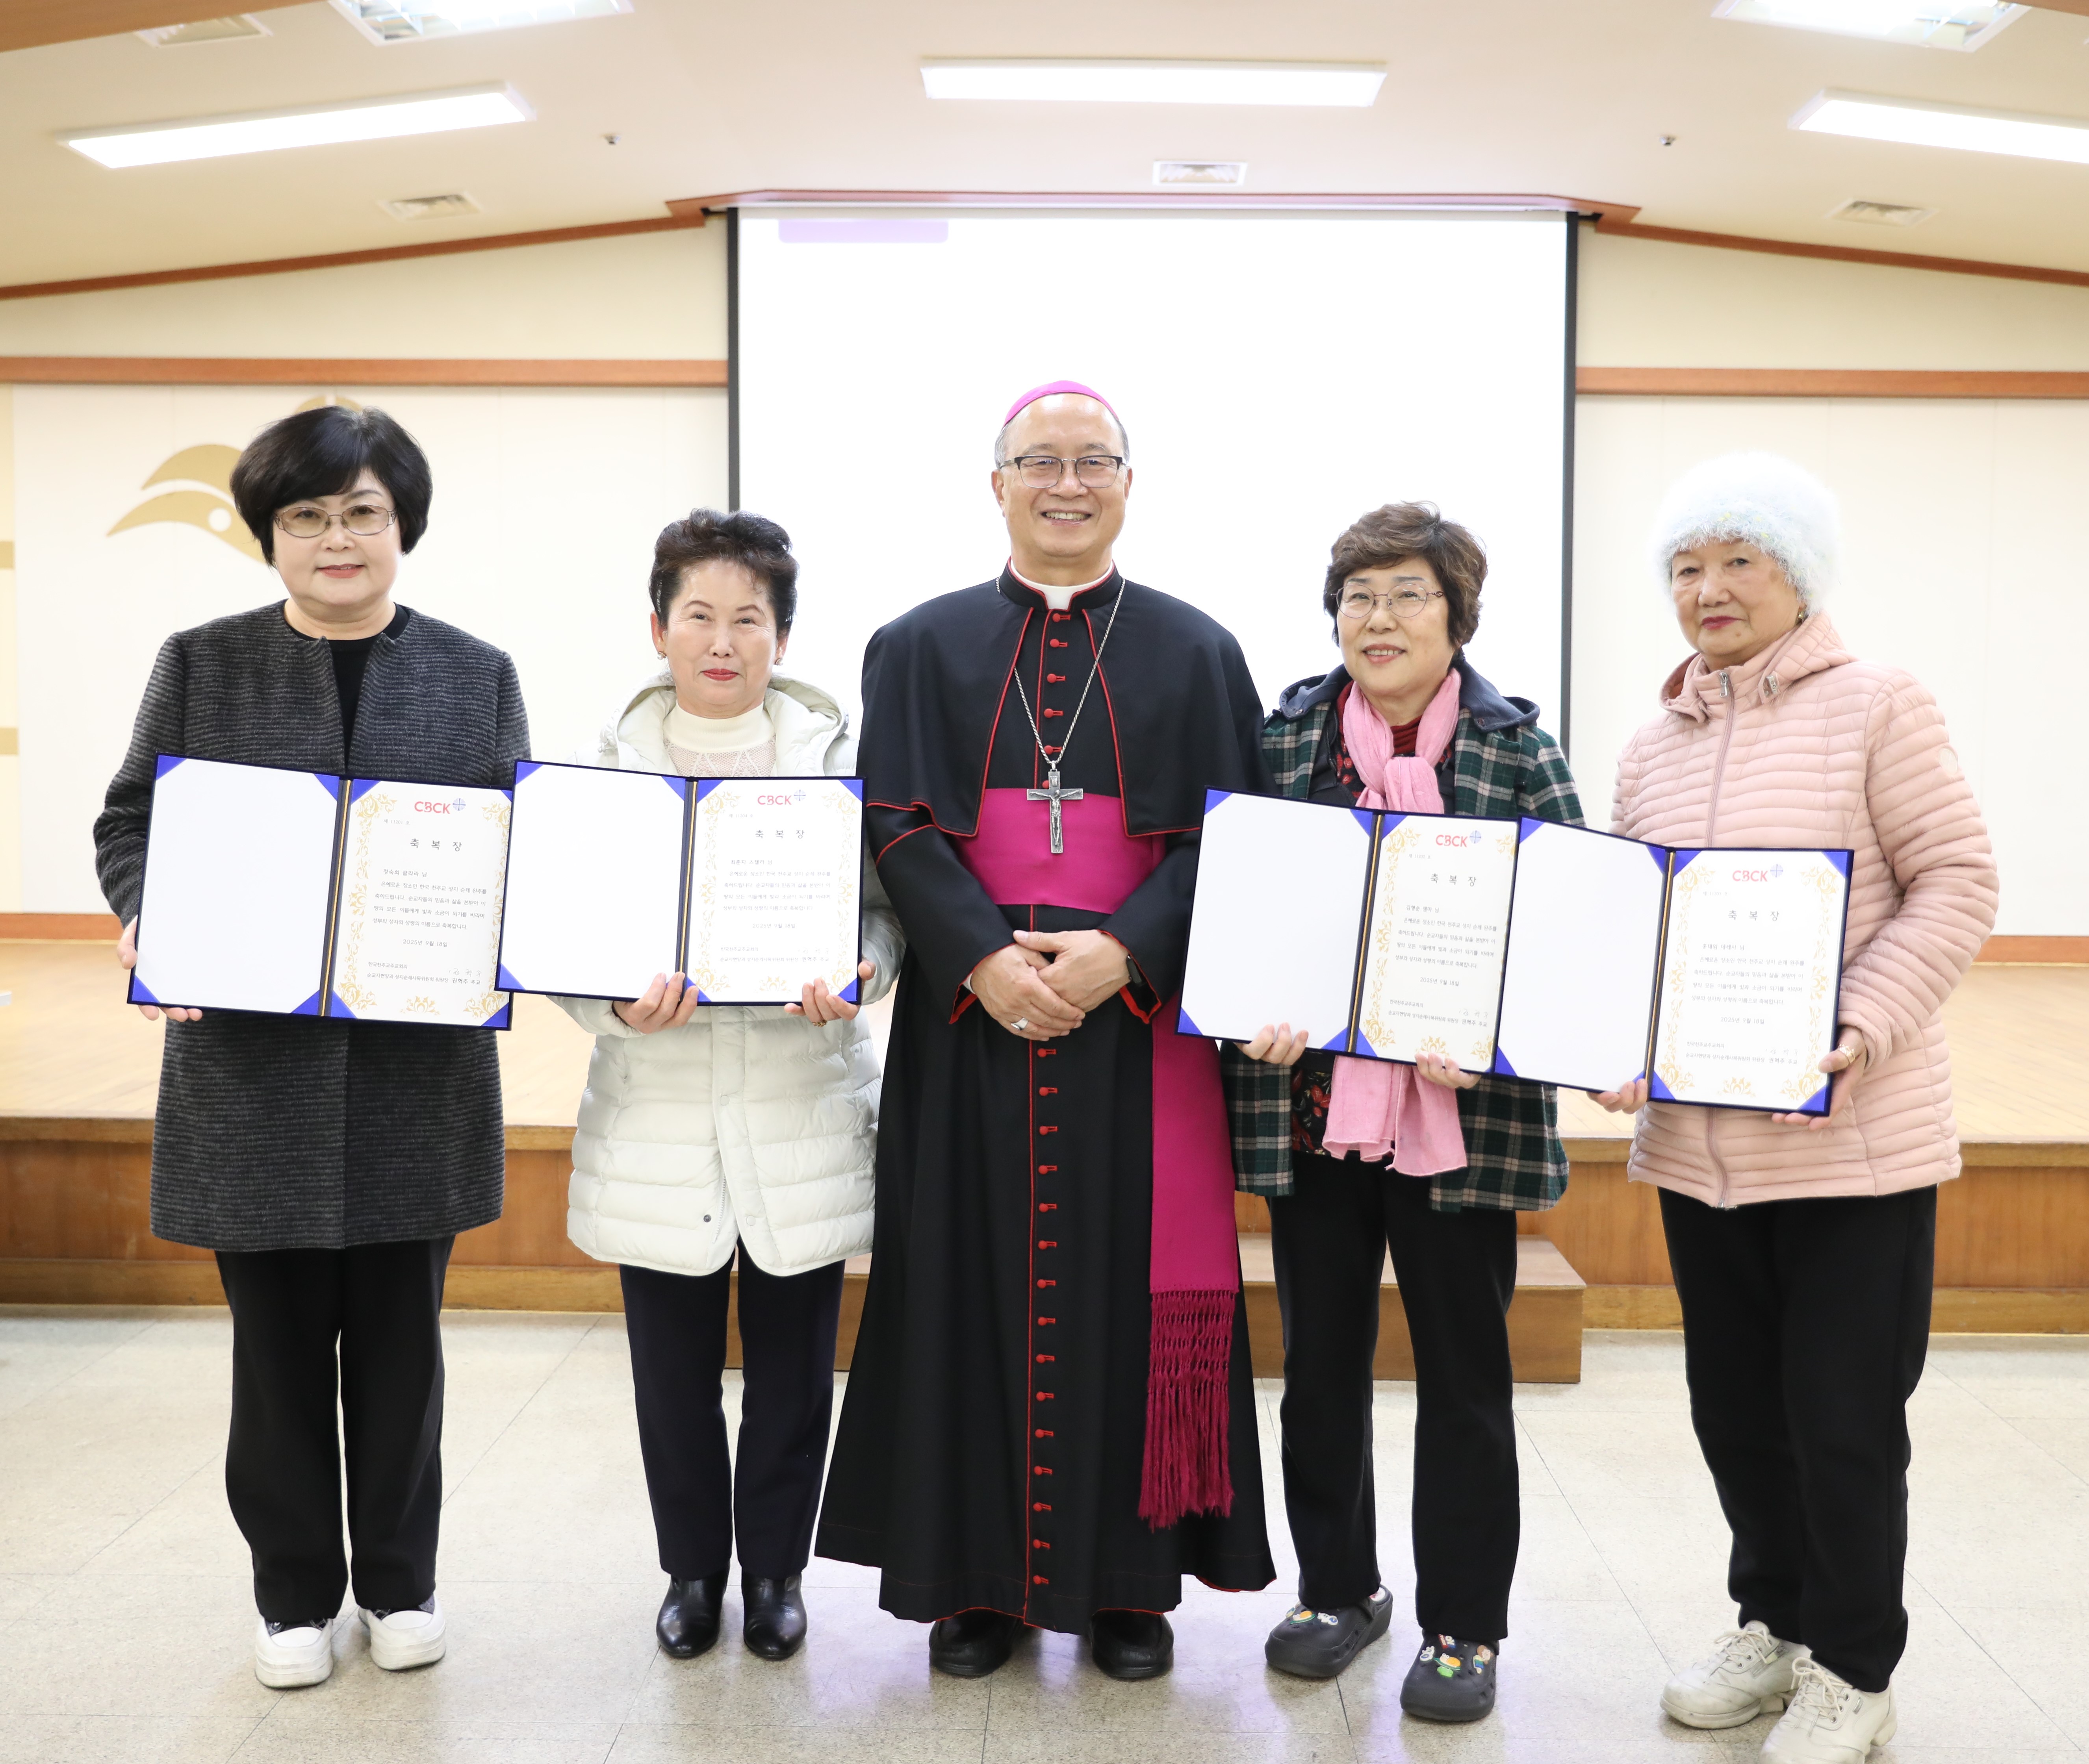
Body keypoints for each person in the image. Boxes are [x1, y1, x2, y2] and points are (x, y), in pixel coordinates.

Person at [815, 381, 1275, 1680]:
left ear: (1129, 482)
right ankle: (978, 1584)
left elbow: (1227, 837)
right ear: (998, 483)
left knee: (1138, 1293)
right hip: (972, 1028)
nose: (1066, 483)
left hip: (1136, 1022)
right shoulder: (917, 644)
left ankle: (1132, 1587)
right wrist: (983, 961)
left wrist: (1116, 952)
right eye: (1040, 462)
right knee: (962, 1280)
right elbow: (898, 824)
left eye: (1093, 461)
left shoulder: (1196, 651)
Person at [93, 404, 529, 1688]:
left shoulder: (475, 671)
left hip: (415, 1071)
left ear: (404, 527)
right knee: (274, 1358)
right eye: (308, 516)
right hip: (251, 1071)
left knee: (404, 1350)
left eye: (363, 514)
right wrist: (143, 917)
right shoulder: (201, 664)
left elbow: (516, 851)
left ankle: (401, 1587)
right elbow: (132, 825)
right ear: (270, 535)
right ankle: (293, 1596)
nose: (338, 539)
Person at [1592, 452, 1996, 1764]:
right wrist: (1619, 1038)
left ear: (1796, 573)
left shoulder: (1879, 704)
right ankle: (1770, 1621)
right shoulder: (1652, 746)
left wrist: (1857, 1028)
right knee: (1737, 1411)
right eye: (1686, 568)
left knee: (1841, 1417)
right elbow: (1635, 937)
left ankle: (1854, 1667)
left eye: (1737, 561)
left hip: (1853, 1145)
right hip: (1701, 1150)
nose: (1708, 591)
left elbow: (1957, 882)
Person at [1223, 504, 1583, 1719]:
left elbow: (1564, 933)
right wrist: (1250, 1007)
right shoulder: (1282, 741)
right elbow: (1244, 908)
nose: (1378, 620)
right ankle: (1339, 1590)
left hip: (1459, 1121)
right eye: (1359, 597)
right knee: (1319, 1365)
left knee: (1465, 1379)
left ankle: (1464, 1627)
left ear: (1457, 616)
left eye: (1407, 596)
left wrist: (1503, 1041)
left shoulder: (1514, 751)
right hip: (1313, 1106)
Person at [552, 510, 902, 1663]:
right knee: (672, 1378)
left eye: (747, 618)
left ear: (782, 639)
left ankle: (776, 1572)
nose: (721, 639)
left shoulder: (842, 769)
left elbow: (882, 915)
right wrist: (612, 1000)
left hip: (801, 1105)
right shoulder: (603, 772)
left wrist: (866, 969)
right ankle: (693, 1572)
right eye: (698, 614)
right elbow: (565, 934)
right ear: (659, 628)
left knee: (797, 1375)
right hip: (658, 1114)